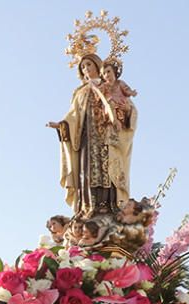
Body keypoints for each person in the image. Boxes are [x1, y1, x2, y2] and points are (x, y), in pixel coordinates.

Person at [48, 52, 135, 215]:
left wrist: (124, 112)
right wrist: (62, 125)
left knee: (108, 170)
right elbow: (73, 115)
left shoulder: (110, 85)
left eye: (89, 64)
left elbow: (126, 107)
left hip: (107, 138)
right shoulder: (80, 92)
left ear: (97, 66)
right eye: (82, 66)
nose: (86, 68)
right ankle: (88, 207)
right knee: (86, 172)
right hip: (86, 139)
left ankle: (109, 207)